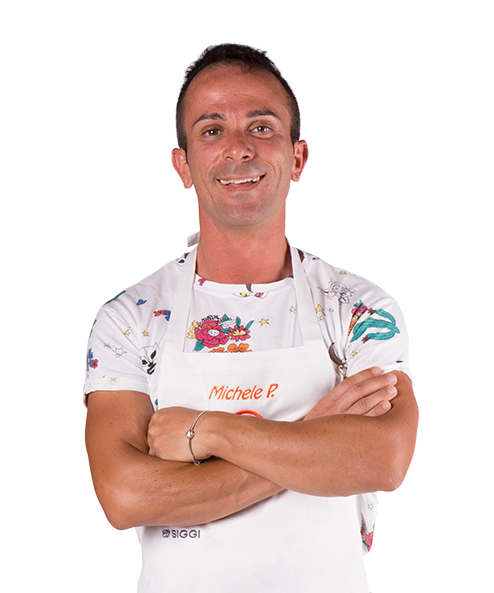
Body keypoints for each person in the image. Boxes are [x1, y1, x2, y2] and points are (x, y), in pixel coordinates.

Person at [84, 42, 419, 593]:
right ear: (183, 164)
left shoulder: (358, 310)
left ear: (298, 157)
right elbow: (125, 497)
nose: (238, 148)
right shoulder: (131, 320)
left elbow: (383, 460)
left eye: (261, 127)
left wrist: (206, 431)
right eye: (211, 130)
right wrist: (313, 439)